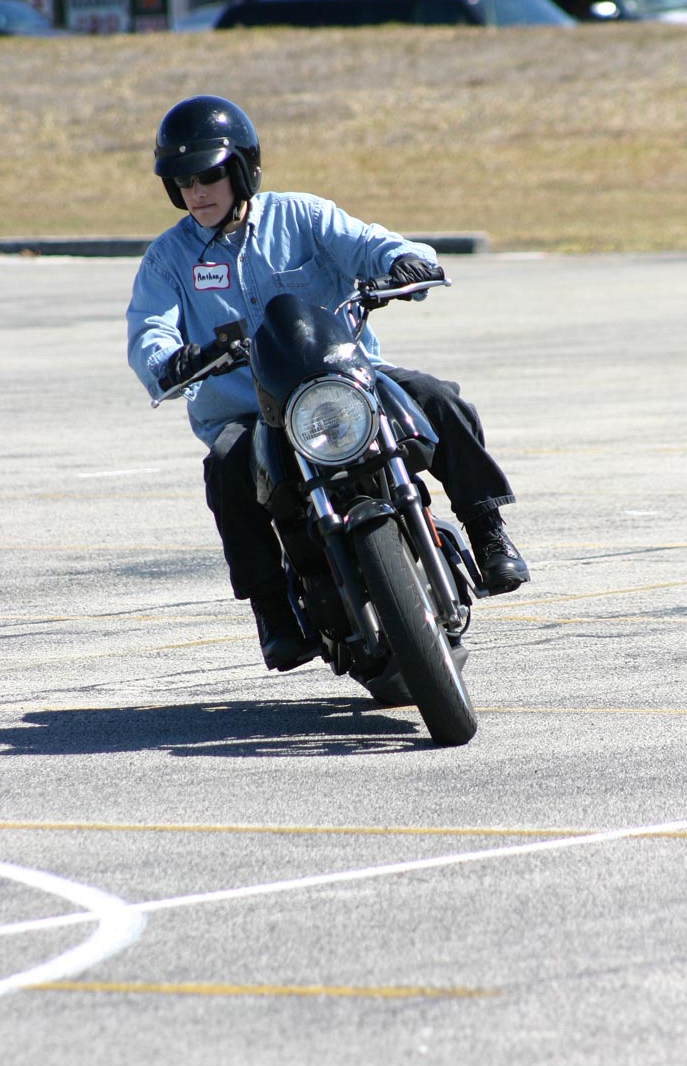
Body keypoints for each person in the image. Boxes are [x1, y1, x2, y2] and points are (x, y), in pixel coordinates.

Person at [127, 94, 530, 672]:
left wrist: (406, 262)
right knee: (227, 464)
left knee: (438, 397)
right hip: (253, 412)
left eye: (209, 175)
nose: (197, 191)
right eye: (184, 181)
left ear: (242, 168)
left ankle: (488, 530)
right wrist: (170, 360)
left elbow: (370, 243)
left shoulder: (302, 216)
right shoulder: (168, 259)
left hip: (345, 379)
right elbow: (149, 328)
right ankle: (272, 609)